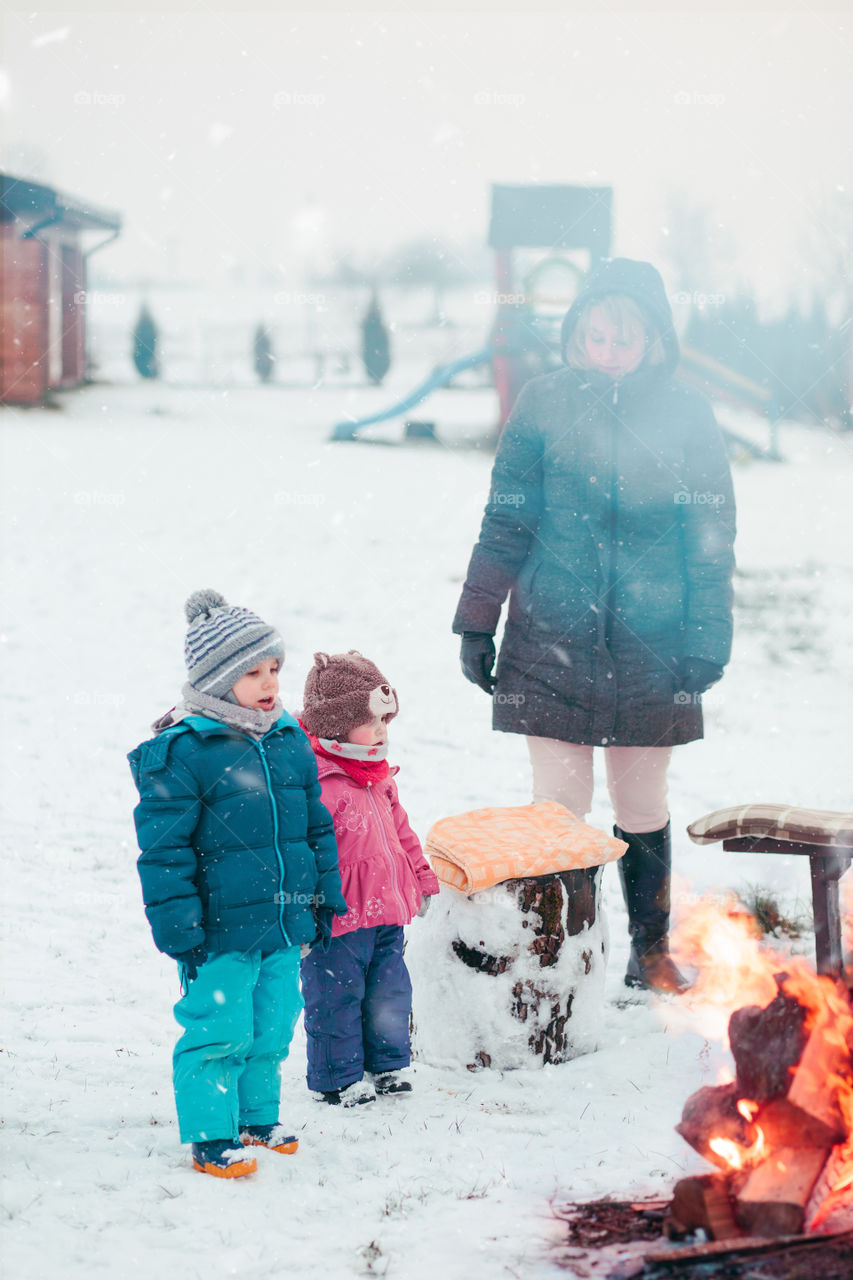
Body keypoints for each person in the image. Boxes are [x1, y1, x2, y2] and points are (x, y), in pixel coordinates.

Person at [453, 258, 736, 995]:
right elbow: (506, 518)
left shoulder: (686, 413)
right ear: (576, 331)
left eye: (624, 337)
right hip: (550, 637)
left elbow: (710, 530)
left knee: (641, 805)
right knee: (558, 808)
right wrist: (477, 622)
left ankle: (649, 958)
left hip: (655, 647)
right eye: (596, 334)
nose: (608, 349)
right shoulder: (542, 403)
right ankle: (561, 958)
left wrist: (708, 635)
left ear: (652, 339)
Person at [128, 589, 347, 1177]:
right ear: (219, 679)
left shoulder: (286, 739)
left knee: (273, 1025)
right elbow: (163, 851)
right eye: (252, 672)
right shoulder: (183, 751)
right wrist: (179, 926)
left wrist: (323, 894)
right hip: (218, 929)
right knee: (219, 1029)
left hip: (281, 919)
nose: (269, 680)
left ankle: (257, 1120)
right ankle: (210, 1134)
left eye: (274, 667)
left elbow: (314, 826)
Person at [299, 651, 440, 1106]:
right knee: (335, 996)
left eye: (386, 721)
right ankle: (339, 1076)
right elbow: (299, 852)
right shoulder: (317, 783)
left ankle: (387, 1066)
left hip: (386, 911)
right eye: (372, 721)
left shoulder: (377, 777)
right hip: (337, 918)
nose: (381, 731)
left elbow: (401, 833)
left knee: (389, 991)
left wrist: (419, 876)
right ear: (337, 725)